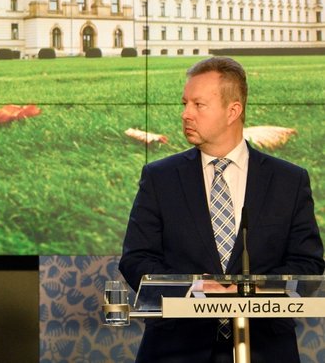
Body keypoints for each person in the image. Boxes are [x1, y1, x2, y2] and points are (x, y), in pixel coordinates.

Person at [120, 56, 324, 363]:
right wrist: (195, 288)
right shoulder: (160, 177)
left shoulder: (289, 180)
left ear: (233, 111)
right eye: (184, 103)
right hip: (176, 350)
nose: (185, 114)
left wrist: (249, 294)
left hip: (265, 350)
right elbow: (136, 259)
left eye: (198, 105)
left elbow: (307, 264)